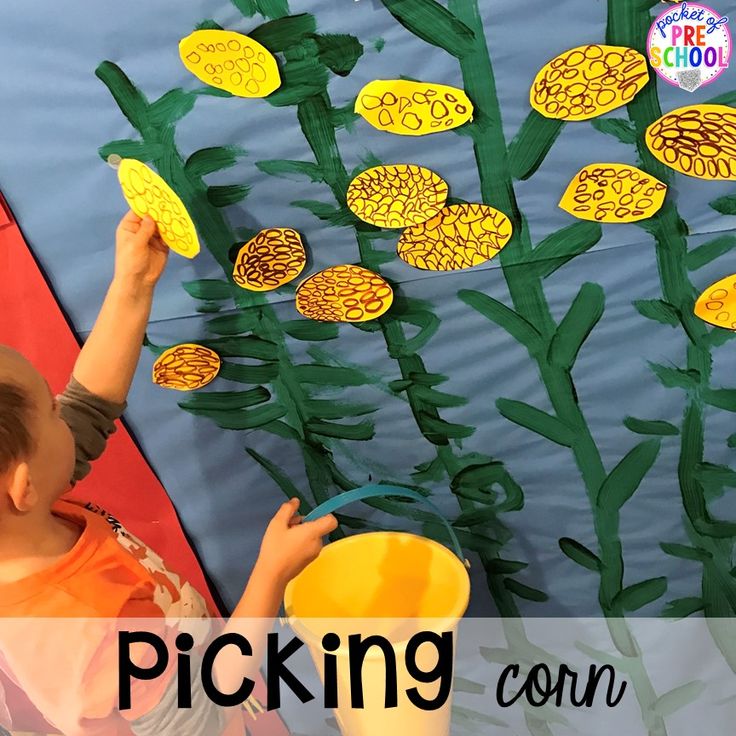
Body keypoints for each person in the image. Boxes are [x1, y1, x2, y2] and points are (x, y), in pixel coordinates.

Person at [0, 211, 337, 735]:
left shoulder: (20, 529)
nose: (63, 409)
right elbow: (209, 699)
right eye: (49, 409)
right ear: (23, 486)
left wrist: (132, 285)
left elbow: (88, 410)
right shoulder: (96, 625)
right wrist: (273, 573)